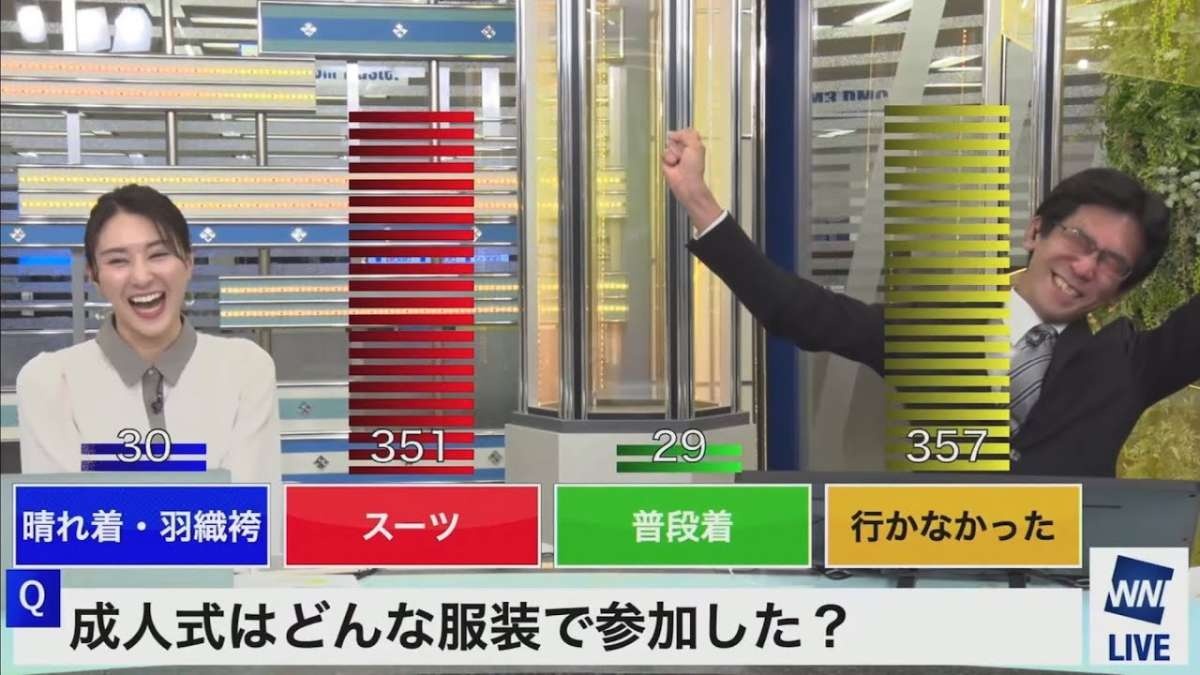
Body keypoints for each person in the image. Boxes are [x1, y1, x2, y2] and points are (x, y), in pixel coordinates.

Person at [661, 128, 1199, 476]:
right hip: (935, 572)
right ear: (1036, 231)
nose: (1085, 267)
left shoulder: (1126, 364)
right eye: (1079, 239)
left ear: (1123, 288)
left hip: (1063, 594)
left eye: (1111, 262)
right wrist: (698, 199)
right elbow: (801, 312)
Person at [17, 184, 282, 485]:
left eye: (158, 254)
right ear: (94, 277)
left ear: (189, 262)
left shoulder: (246, 369)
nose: (142, 277)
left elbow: (249, 504)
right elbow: (66, 510)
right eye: (118, 260)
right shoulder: (50, 382)